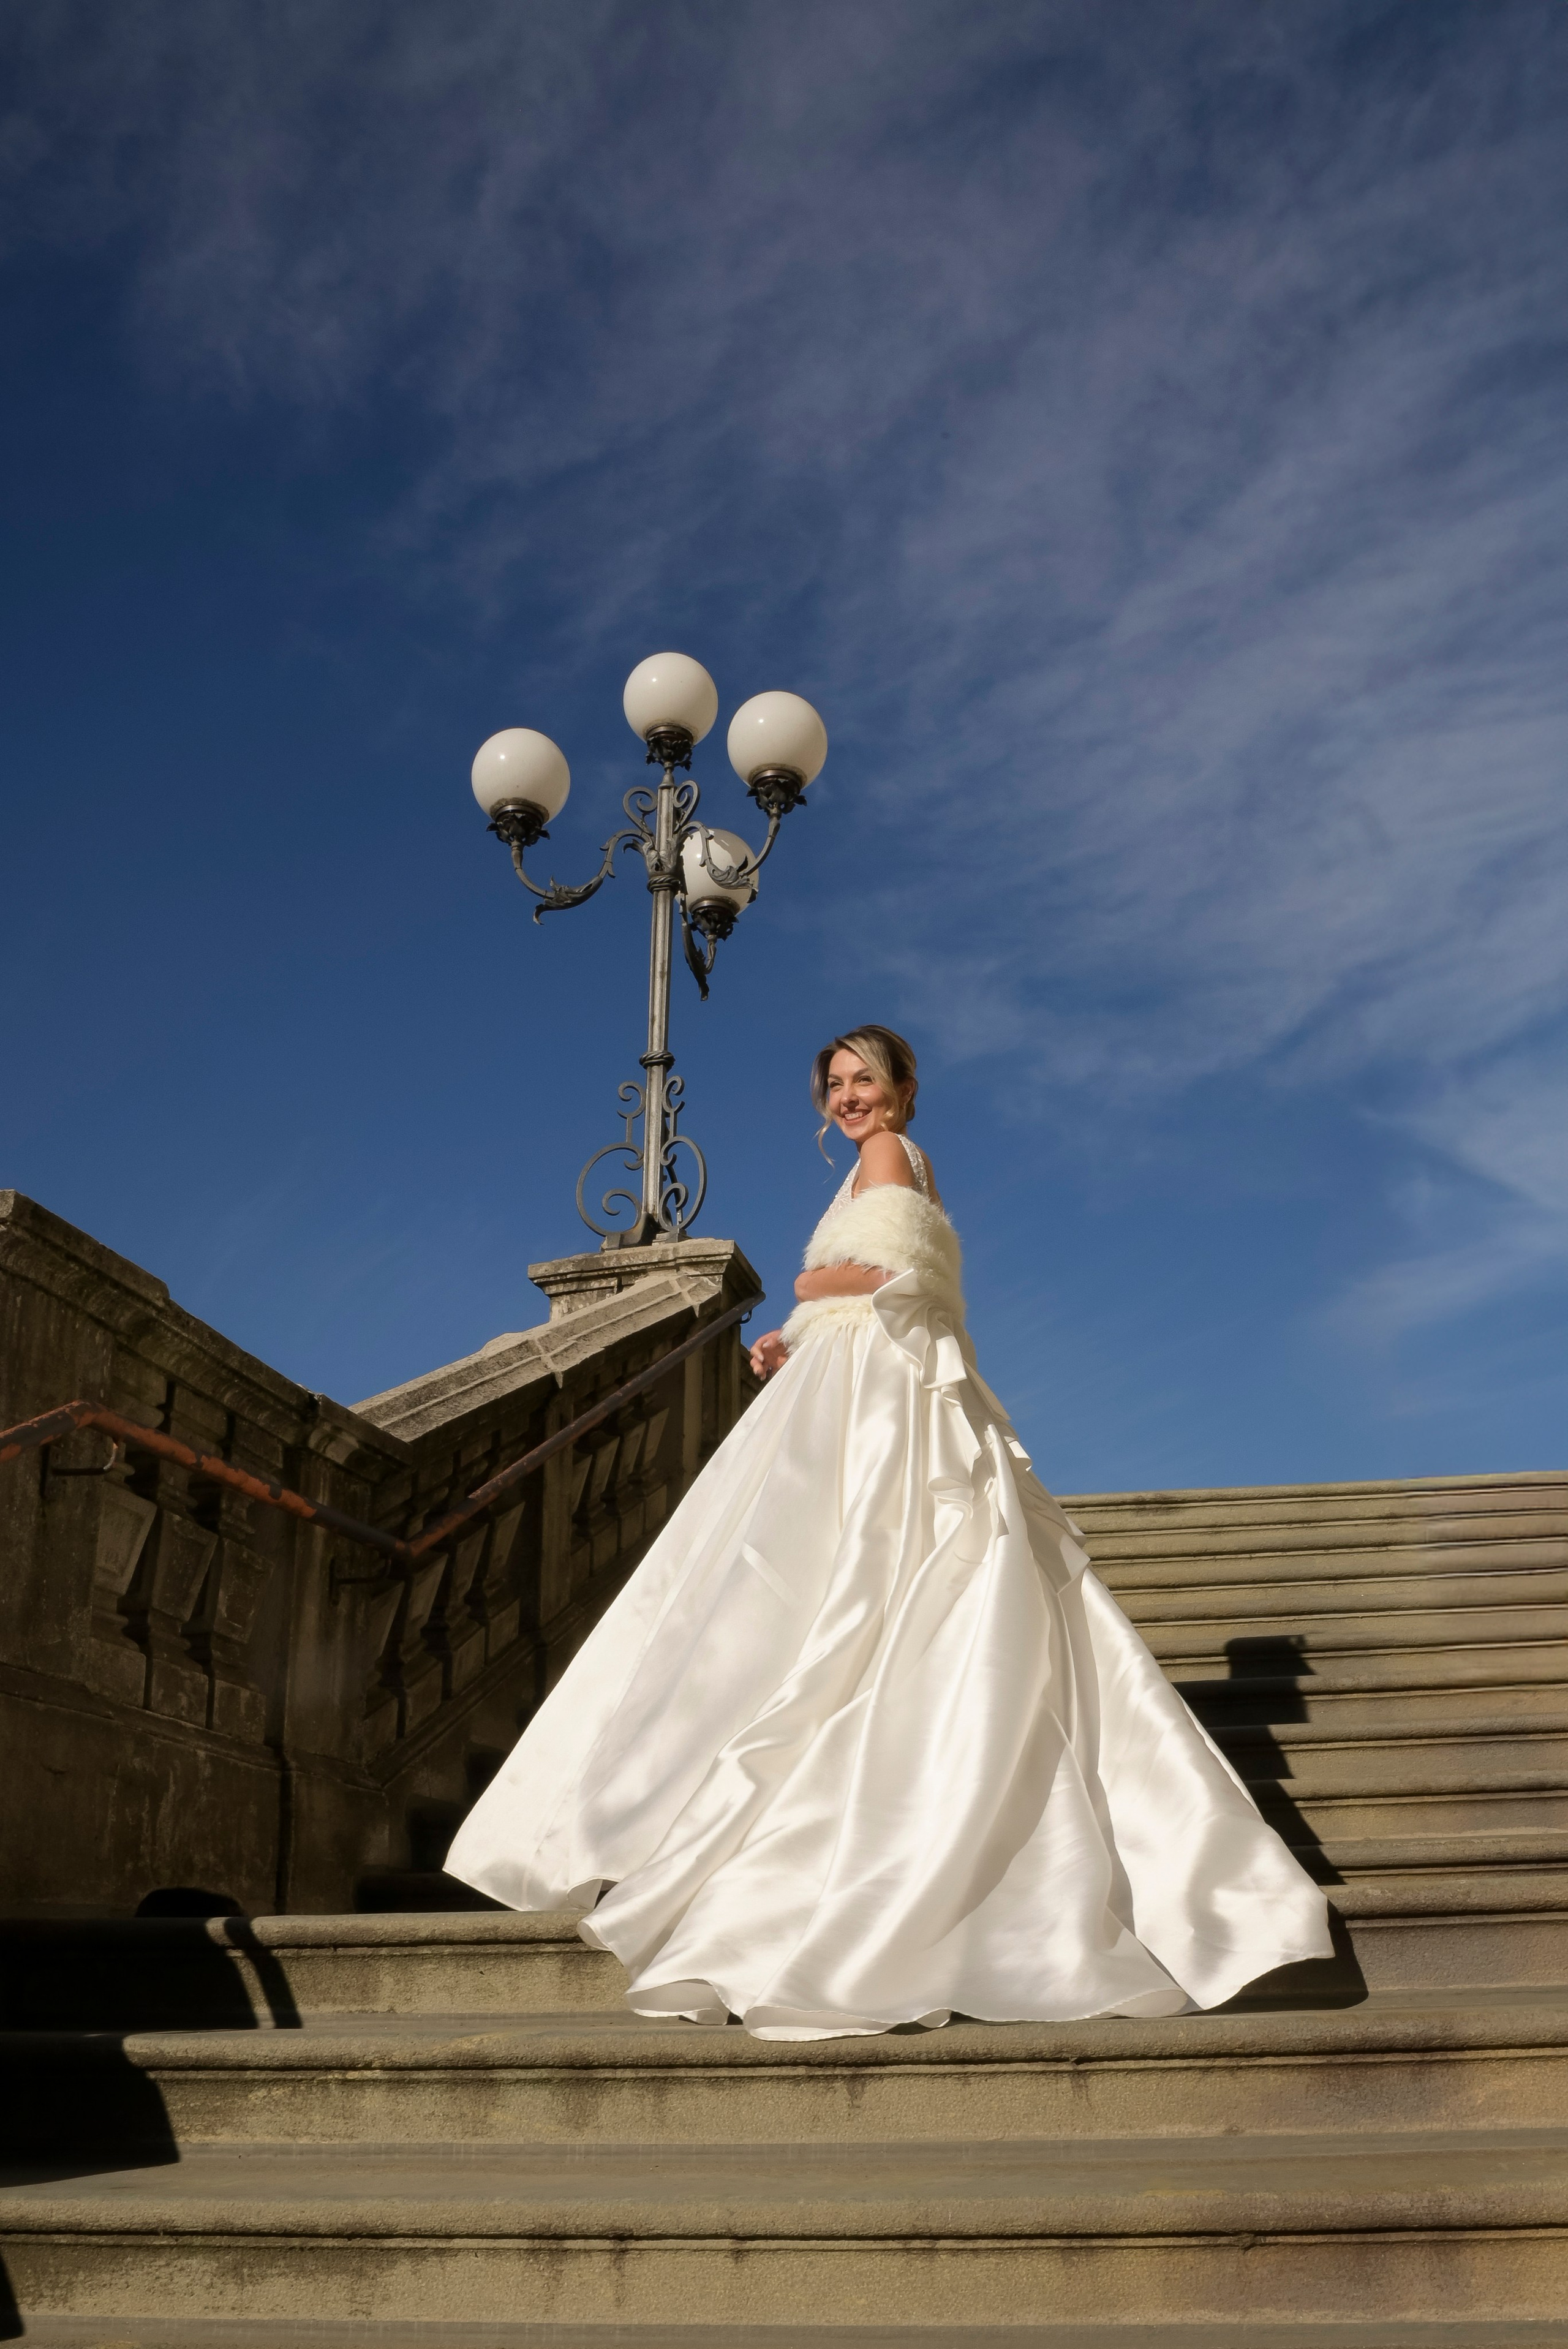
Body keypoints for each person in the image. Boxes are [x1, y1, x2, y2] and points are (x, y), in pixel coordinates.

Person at [446, 1025, 1332, 2039]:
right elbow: (903, 1280)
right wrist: (797, 1328)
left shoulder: (885, 1158)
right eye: (834, 1083)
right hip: (864, 1376)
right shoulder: (902, 1165)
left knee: (824, 1586)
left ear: (905, 1088)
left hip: (879, 1398)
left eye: (866, 1078)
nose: (849, 1097)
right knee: (856, 1589)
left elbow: (889, 1280)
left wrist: (812, 1293)